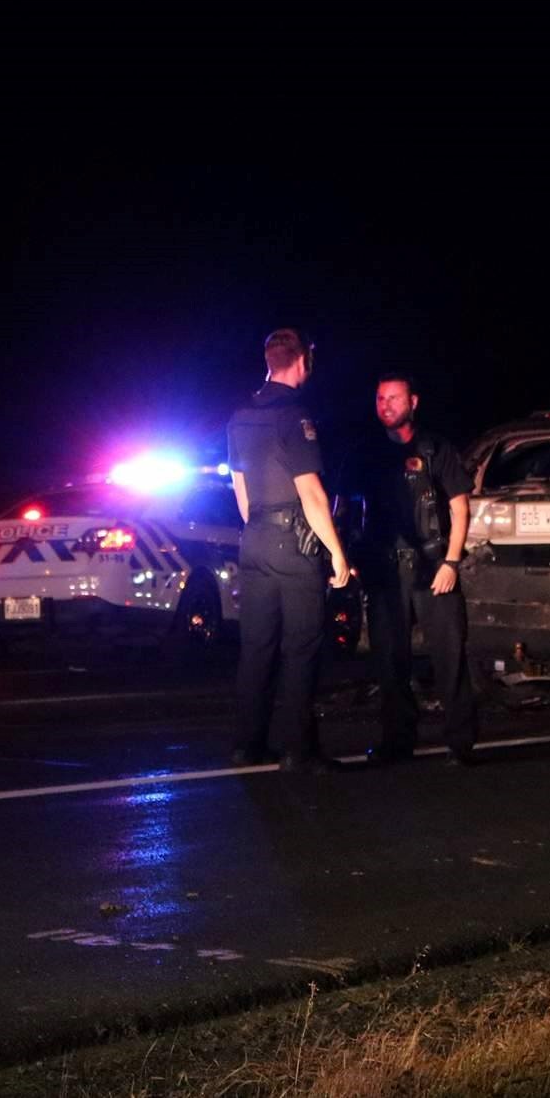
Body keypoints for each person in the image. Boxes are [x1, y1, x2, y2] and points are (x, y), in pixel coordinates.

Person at [226, 328, 354, 773]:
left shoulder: (240, 415)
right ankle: (298, 750)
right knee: (301, 647)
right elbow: (312, 494)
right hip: (292, 543)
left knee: (257, 646)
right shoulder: (294, 415)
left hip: (254, 538)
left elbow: (239, 489)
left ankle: (248, 745)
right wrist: (336, 552)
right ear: (301, 361)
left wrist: (257, 530)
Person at [353, 373, 478, 766]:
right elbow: (349, 509)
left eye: (393, 397)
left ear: (413, 402)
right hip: (385, 571)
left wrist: (452, 562)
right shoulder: (366, 452)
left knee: (449, 658)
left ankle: (460, 743)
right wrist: (350, 558)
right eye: (379, 398)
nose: (385, 405)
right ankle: (397, 741)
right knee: (390, 662)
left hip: (433, 566)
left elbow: (460, 508)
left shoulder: (435, 447)